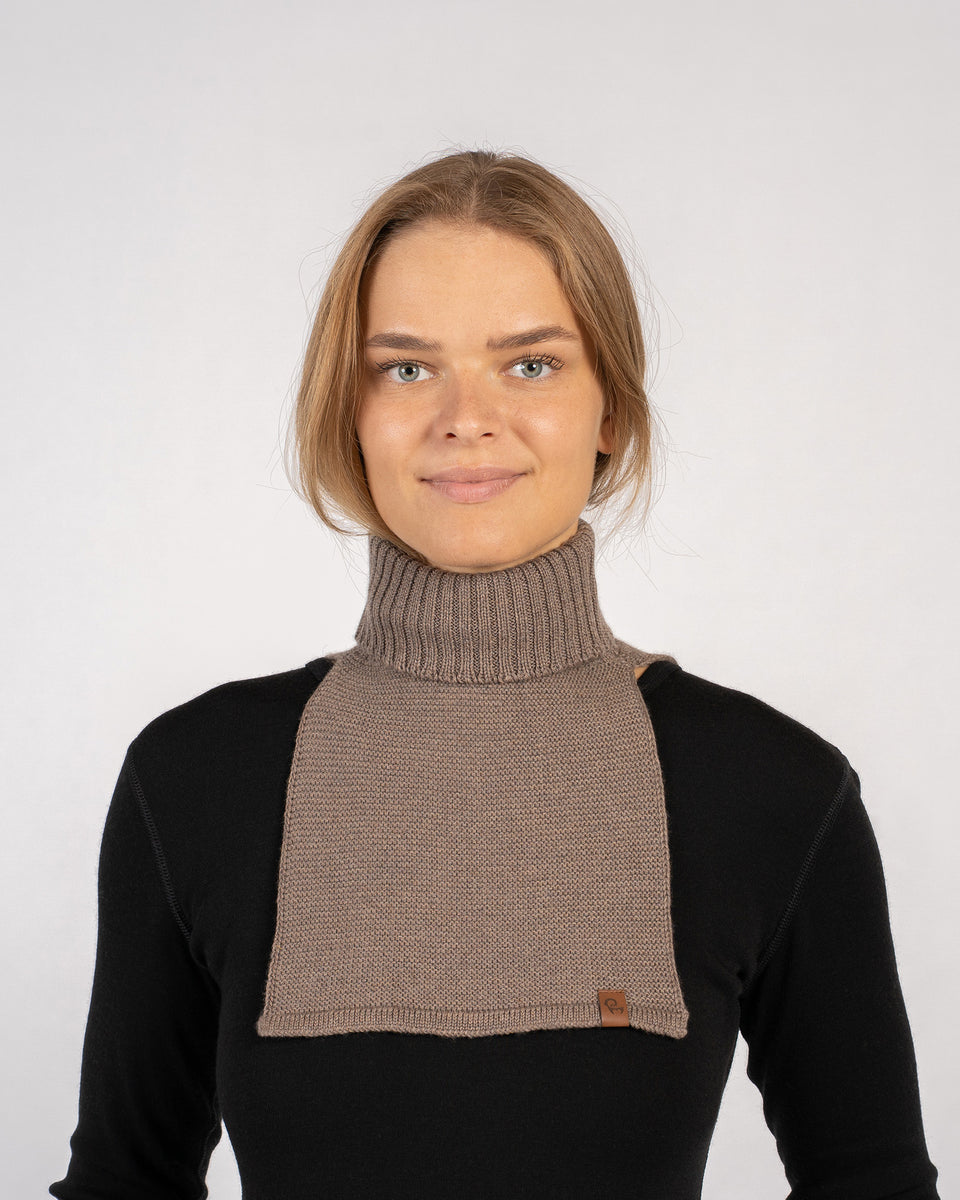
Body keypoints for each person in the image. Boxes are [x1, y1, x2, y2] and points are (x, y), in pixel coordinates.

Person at [50, 148, 939, 1199]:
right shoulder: (195, 777)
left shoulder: (774, 789)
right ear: (349, 412)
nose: (465, 416)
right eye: (406, 368)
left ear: (611, 410)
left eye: (530, 365)